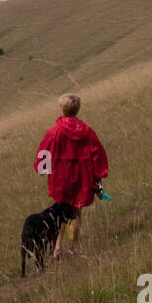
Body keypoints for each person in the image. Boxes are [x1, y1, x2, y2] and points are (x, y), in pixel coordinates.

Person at [33, 93, 108, 258]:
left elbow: (45, 152)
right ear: (77, 110)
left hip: (61, 178)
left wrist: (43, 169)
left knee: (60, 212)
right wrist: (99, 175)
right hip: (82, 177)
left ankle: (58, 247)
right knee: (76, 212)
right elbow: (98, 153)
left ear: (62, 109)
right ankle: (73, 248)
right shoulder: (87, 131)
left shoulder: (54, 132)